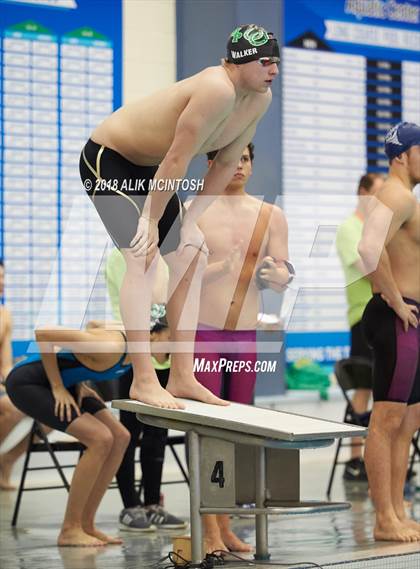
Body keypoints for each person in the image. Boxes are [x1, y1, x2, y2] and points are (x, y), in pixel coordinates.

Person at [79, 24, 280, 410]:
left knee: (192, 253)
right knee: (142, 254)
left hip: (151, 170)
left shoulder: (259, 99)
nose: (273, 70)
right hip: (110, 158)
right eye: (265, 61)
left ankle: (182, 375)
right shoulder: (216, 89)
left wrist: (190, 222)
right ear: (239, 63)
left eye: (275, 62)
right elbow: (177, 159)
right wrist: (150, 222)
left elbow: (224, 162)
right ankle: (142, 379)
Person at [192, 143, 292, 553]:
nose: (239, 167)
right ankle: (210, 529)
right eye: (229, 160)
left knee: (237, 434)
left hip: (244, 335)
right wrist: (223, 269)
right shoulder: (195, 210)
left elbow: (282, 271)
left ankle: (226, 524)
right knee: (209, 432)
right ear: (211, 163)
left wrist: (276, 274)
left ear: (252, 164)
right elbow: (179, 278)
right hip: (202, 332)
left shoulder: (270, 216)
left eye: (246, 159)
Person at [5, 322, 131, 546]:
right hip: (30, 382)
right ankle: (70, 529)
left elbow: (93, 324)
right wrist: (57, 386)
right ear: (156, 335)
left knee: (121, 437)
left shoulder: (142, 351)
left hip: (71, 384)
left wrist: (79, 379)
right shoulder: (113, 345)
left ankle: (86, 525)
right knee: (100, 439)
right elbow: (44, 333)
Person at [359, 122, 420, 542]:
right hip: (398, 316)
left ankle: (397, 511)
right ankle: (383, 517)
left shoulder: (407, 198)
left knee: (408, 421)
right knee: (387, 419)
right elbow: (368, 247)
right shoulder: (395, 194)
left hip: (411, 316)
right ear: (402, 155)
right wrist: (395, 299)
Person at [336, 173, 384, 481]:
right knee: (364, 389)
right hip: (364, 318)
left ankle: (385, 458)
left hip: (387, 316)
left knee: (389, 392)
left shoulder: (380, 231)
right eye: (377, 194)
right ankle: (356, 459)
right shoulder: (349, 229)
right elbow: (368, 269)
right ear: (362, 194)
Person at [0, 259, 38, 489]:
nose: (2, 282)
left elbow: (5, 366)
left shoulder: (5, 316)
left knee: (58, 408)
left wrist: (13, 383)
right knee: (12, 407)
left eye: (3, 277)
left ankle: (7, 460)